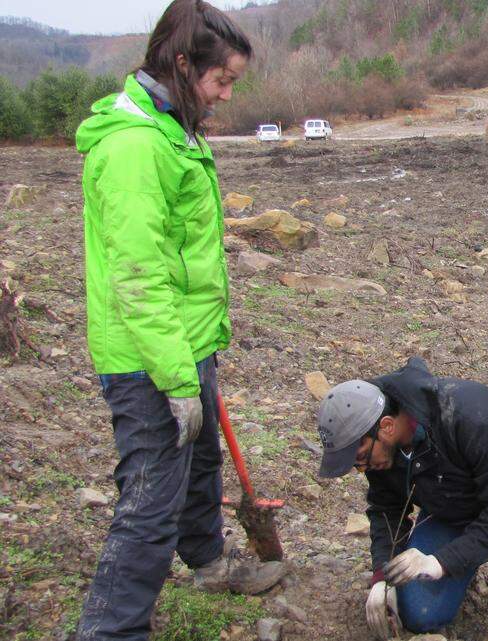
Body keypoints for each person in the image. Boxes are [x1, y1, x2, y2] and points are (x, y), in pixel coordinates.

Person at [74, 2, 283, 640]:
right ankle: (108, 631)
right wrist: (176, 377)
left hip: (185, 343)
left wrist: (198, 359)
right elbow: (138, 278)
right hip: (147, 360)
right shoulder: (136, 148)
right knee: (149, 504)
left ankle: (209, 561)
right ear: (182, 64)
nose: (223, 97)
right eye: (221, 82)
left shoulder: (174, 129)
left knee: (200, 465)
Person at [316, 358, 488, 637]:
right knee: (419, 614)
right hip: (453, 504)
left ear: (386, 426)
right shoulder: (379, 446)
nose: (360, 468)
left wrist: (441, 561)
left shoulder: (469, 415)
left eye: (360, 458)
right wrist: (381, 578)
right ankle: (463, 559)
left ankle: (477, 559)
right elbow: (386, 508)